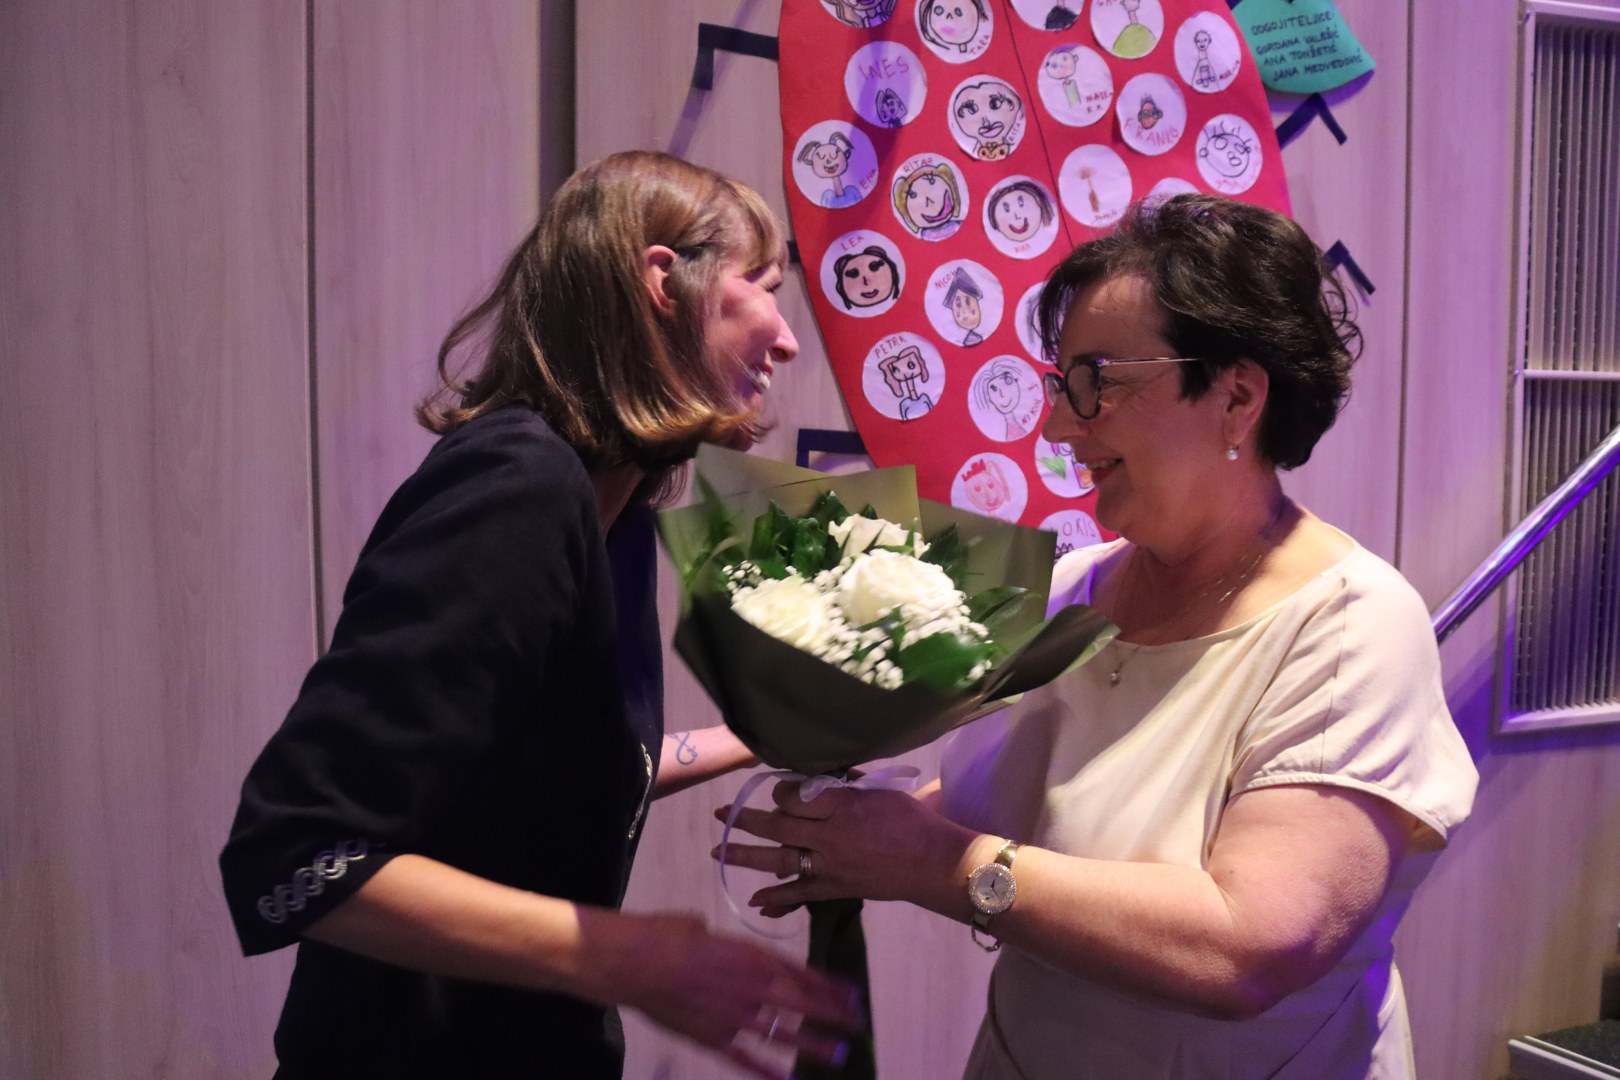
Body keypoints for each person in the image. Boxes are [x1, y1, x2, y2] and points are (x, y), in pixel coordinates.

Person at [718, 194, 1478, 1080]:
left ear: (1236, 397)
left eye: (1099, 382)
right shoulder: (1077, 588)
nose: (1059, 425)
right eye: (1063, 384)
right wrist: (861, 833)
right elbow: (1043, 800)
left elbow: (1249, 949)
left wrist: (931, 864)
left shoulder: (1351, 626)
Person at [218, 151, 862, 1080]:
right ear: (664, 283)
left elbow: (561, 762)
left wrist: (760, 737)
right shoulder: (520, 488)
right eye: (763, 288)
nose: (789, 339)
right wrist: (625, 955)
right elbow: (294, 854)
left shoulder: (618, 515)